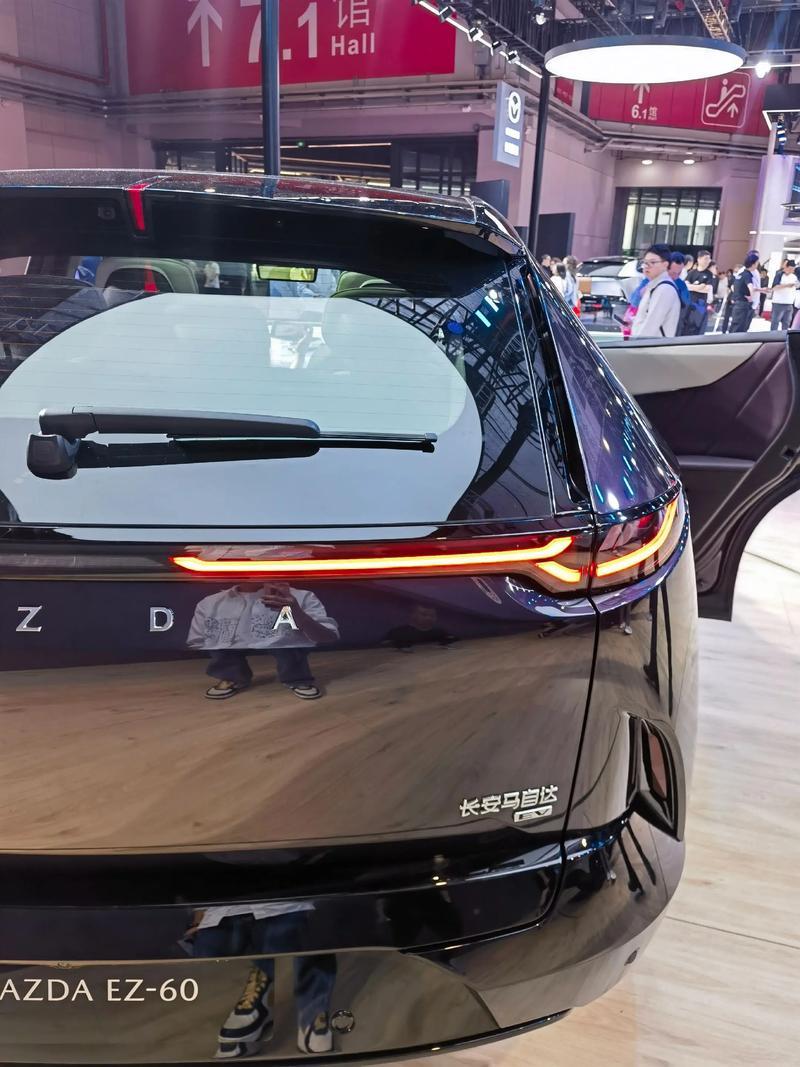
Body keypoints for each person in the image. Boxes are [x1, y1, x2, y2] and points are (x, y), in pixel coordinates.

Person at [630, 243, 681, 339]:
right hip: (647, 343)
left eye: (652, 262)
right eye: (645, 262)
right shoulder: (653, 285)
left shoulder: (665, 289)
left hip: (652, 345)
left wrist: (636, 344)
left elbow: (651, 325)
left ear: (665, 264)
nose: (646, 266)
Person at [728, 251, 761, 334]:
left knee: (735, 324)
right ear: (753, 264)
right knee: (740, 326)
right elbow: (750, 287)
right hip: (743, 303)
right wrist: (751, 297)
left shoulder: (741, 273)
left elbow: (734, 286)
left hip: (738, 302)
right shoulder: (747, 274)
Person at [684, 249, 714, 335]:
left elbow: (707, 289)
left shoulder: (709, 274)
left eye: (709, 259)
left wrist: (692, 287)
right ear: (699, 259)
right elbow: (686, 286)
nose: (708, 261)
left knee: (697, 326)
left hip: (701, 304)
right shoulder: (691, 273)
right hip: (689, 302)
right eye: (705, 258)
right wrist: (699, 287)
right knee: (687, 325)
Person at [769, 258, 798, 330]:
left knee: (786, 322)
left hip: (789, 303)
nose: (792, 271)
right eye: (790, 269)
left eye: (793, 269)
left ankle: (784, 335)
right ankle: (773, 335)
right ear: (786, 267)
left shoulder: (794, 277)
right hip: (779, 302)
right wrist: (787, 285)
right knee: (775, 322)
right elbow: (774, 287)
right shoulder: (779, 275)